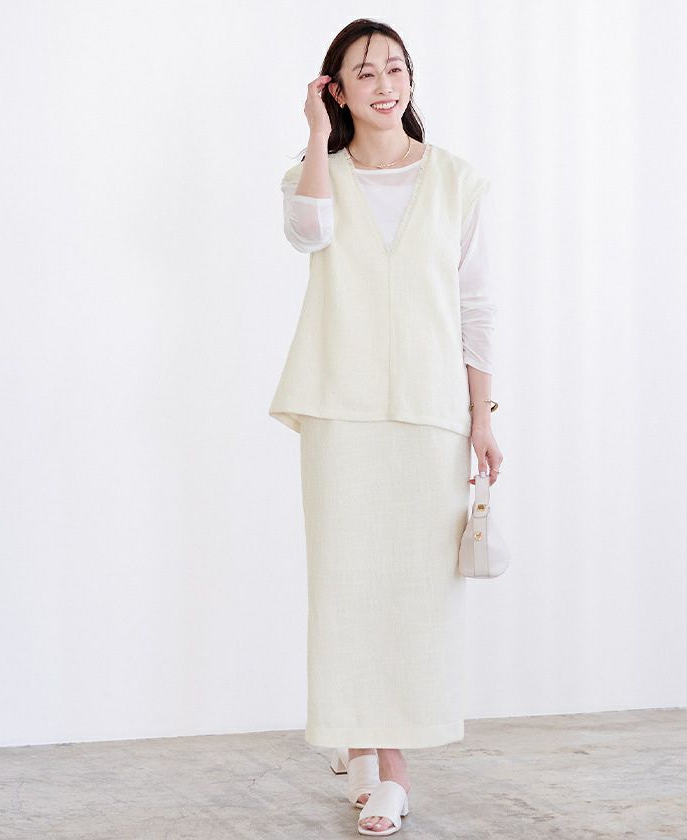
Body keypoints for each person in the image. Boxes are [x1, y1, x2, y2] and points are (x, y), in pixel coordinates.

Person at [269, 19, 503, 836]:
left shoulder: (456, 180)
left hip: (430, 412)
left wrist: (482, 416)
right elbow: (308, 233)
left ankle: (378, 754)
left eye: (395, 69)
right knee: (347, 586)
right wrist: (315, 134)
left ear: (411, 80)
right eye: (363, 73)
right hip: (341, 406)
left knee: (414, 596)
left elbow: (476, 306)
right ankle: (377, 759)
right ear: (337, 88)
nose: (384, 85)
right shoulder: (316, 175)